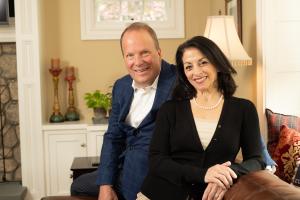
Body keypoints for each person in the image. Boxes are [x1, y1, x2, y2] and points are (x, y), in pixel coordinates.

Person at [138, 36, 266, 200]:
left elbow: (257, 159)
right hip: (159, 194)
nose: (196, 72)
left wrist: (229, 172)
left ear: (218, 64)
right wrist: (204, 174)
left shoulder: (244, 109)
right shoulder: (170, 109)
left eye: (203, 62)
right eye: (188, 67)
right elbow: (157, 161)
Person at [70, 22, 176, 200]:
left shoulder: (180, 81)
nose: (138, 62)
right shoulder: (121, 86)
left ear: (159, 52)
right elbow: (113, 136)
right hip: (122, 167)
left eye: (145, 53)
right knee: (79, 186)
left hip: (154, 174)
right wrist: (105, 184)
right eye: (130, 55)